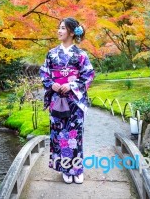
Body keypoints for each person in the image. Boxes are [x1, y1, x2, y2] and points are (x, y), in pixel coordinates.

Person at [39, 17, 95, 184]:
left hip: (74, 102)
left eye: (62, 28)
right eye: (59, 27)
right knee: (58, 135)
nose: (59, 31)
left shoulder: (81, 55)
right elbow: (44, 73)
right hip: (57, 100)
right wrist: (52, 85)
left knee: (74, 135)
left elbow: (89, 75)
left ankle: (76, 169)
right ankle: (65, 168)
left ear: (71, 32)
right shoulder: (51, 54)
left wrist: (71, 85)